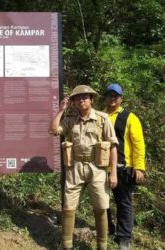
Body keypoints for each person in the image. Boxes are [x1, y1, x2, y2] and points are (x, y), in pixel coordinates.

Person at [50, 85, 119, 250]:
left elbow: (113, 147)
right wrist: (61, 110)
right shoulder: (70, 119)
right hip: (75, 168)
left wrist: (113, 173)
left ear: (91, 100)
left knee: (101, 207)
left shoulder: (103, 119)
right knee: (68, 207)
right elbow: (53, 130)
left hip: (97, 169)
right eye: (77, 98)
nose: (81, 100)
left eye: (85, 97)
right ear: (73, 102)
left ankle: (102, 246)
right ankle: (66, 245)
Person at [104, 83, 146, 250]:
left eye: (116, 96)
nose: (112, 98)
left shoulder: (130, 117)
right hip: (101, 168)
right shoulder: (100, 116)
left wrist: (139, 167)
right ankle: (107, 229)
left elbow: (138, 144)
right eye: (109, 95)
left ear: (121, 98)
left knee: (124, 203)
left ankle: (124, 238)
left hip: (123, 168)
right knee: (102, 202)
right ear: (105, 97)